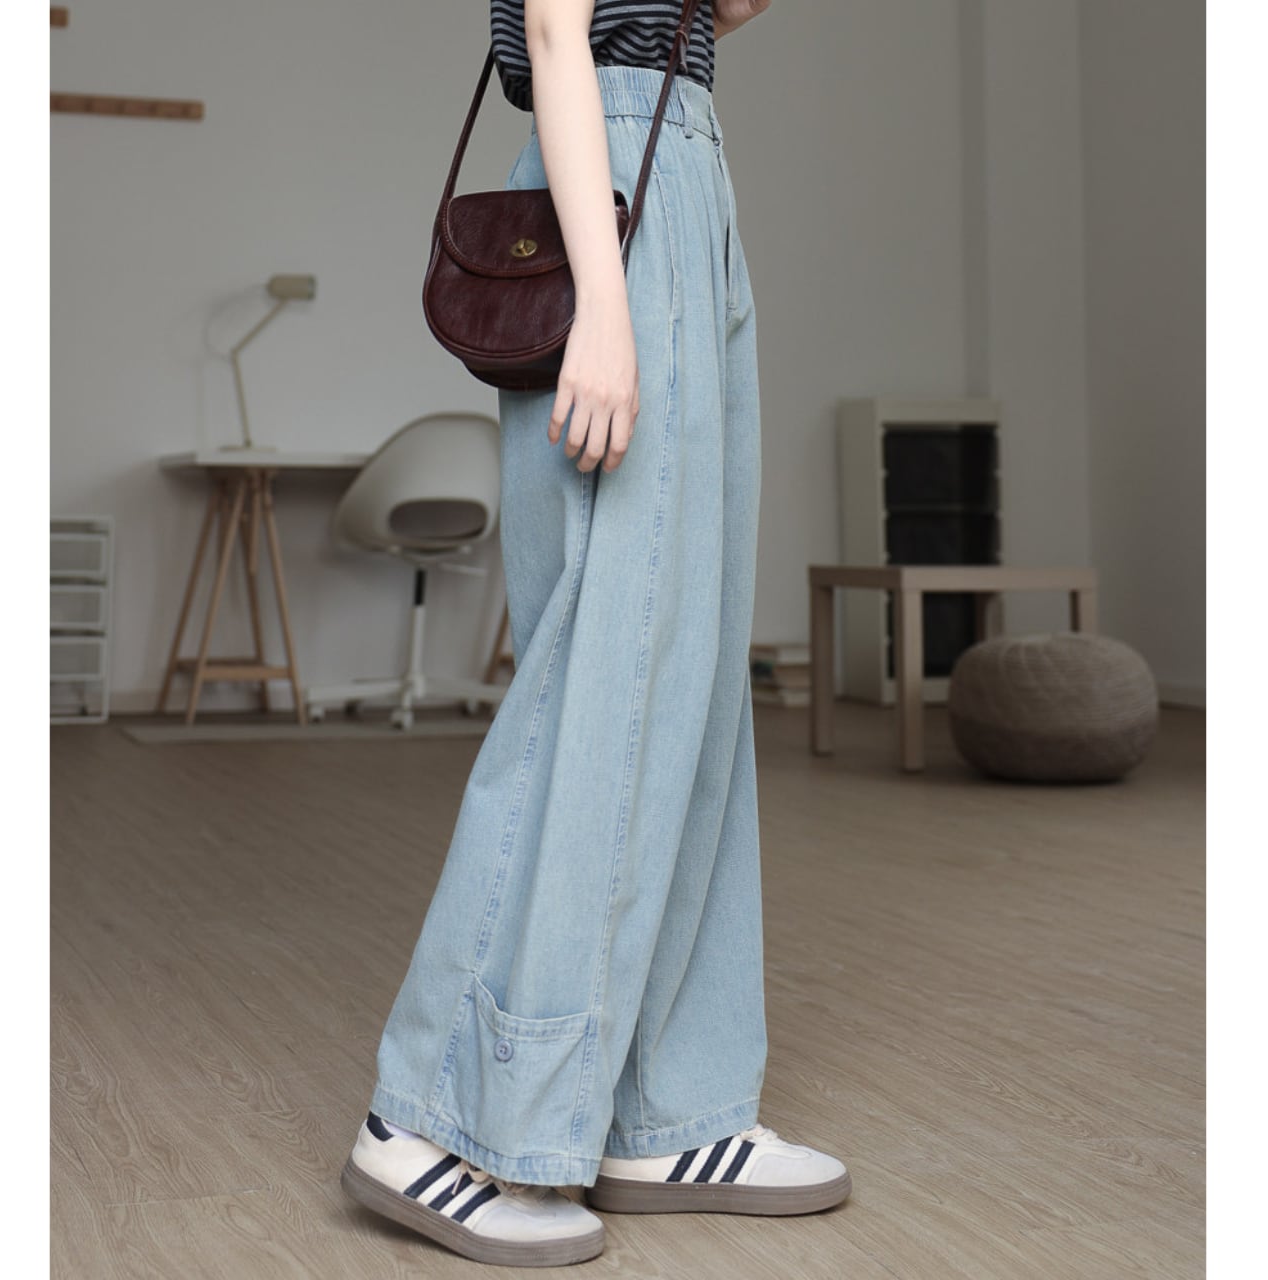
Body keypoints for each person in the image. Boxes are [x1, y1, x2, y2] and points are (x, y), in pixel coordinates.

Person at [340, 0, 850, 1266]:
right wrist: (605, 308)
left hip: (686, 167)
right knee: (605, 676)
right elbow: (559, 35)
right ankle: (430, 1111)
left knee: (689, 680)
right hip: (611, 180)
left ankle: (663, 1106)